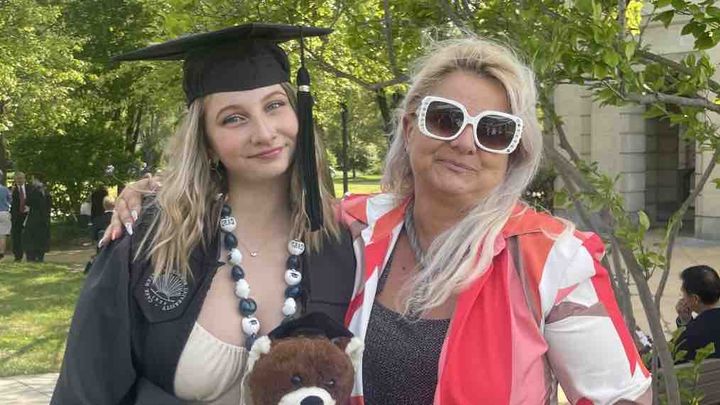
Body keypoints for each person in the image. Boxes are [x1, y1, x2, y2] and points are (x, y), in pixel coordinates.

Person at [107, 38, 652, 404]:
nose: (466, 143)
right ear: (410, 127)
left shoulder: (551, 260)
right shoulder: (356, 227)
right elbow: (259, 202)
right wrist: (156, 192)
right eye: (446, 119)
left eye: (494, 130)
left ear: (515, 152)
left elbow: (622, 398)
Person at [51, 23, 356, 405]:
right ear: (206, 142)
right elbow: (84, 393)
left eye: (274, 105)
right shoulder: (149, 244)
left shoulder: (341, 246)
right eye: (233, 118)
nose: (264, 133)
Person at [674, 265, 720, 363]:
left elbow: (659, 363)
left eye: (684, 294)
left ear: (695, 299)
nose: (682, 298)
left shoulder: (692, 334)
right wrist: (685, 321)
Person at [23, 175, 51, 262]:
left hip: (34, 217)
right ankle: (40, 255)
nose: (32, 181)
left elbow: (28, 201)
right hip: (44, 217)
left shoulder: (34, 191)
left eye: (33, 179)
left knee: (32, 236)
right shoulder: (45, 191)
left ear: (36, 180)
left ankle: (32, 255)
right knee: (41, 237)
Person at [10, 171, 30, 261]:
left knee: (29, 234)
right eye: (17, 179)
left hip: (28, 214)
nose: (19, 180)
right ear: (15, 180)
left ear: (24, 179)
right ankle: (17, 256)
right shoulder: (12, 190)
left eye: (21, 178)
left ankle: (31, 254)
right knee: (16, 235)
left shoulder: (30, 188)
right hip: (16, 215)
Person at [0, 170, 11, 260]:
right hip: (4, 212)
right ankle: (1, 253)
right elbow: (10, 200)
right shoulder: (5, 189)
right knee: (3, 235)